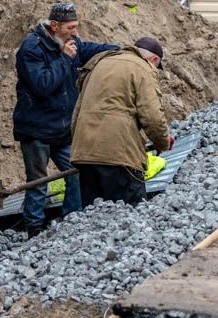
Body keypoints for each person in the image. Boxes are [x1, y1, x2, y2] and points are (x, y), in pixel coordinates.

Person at [13, 3, 118, 238]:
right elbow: (43, 85)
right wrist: (64, 59)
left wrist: (122, 51)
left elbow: (91, 49)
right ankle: (34, 228)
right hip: (36, 129)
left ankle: (71, 219)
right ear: (54, 26)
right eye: (70, 28)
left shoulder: (72, 43)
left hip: (62, 128)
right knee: (39, 181)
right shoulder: (31, 49)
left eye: (76, 27)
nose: (75, 33)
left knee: (76, 171)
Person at [70, 36, 173, 208]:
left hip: (85, 153)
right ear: (154, 59)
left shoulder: (100, 62)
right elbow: (153, 117)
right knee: (130, 215)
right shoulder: (143, 68)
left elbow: (78, 111)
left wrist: (79, 147)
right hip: (119, 157)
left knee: (92, 220)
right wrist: (162, 142)